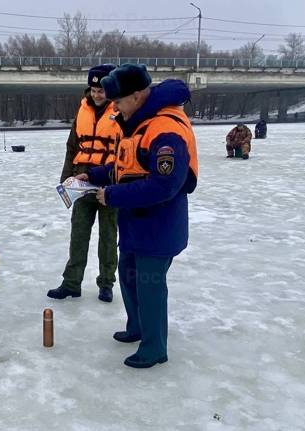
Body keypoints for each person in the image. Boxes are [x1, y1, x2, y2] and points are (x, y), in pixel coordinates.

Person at [80, 65, 198, 369]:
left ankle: (155, 347)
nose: (114, 106)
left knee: (150, 286)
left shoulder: (166, 130)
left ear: (136, 96)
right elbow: (126, 166)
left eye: (117, 101)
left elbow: (165, 185)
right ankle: (137, 328)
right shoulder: (137, 122)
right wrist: (92, 175)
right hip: (136, 224)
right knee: (129, 277)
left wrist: (114, 195)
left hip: (158, 226)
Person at [48, 64, 120, 303]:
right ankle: (71, 283)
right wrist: (66, 178)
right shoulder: (82, 111)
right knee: (78, 234)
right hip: (80, 180)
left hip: (109, 182)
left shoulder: (121, 112)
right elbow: (72, 147)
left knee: (108, 236)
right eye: (93, 90)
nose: (98, 95)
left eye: (102, 91)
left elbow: (125, 152)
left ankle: (106, 283)